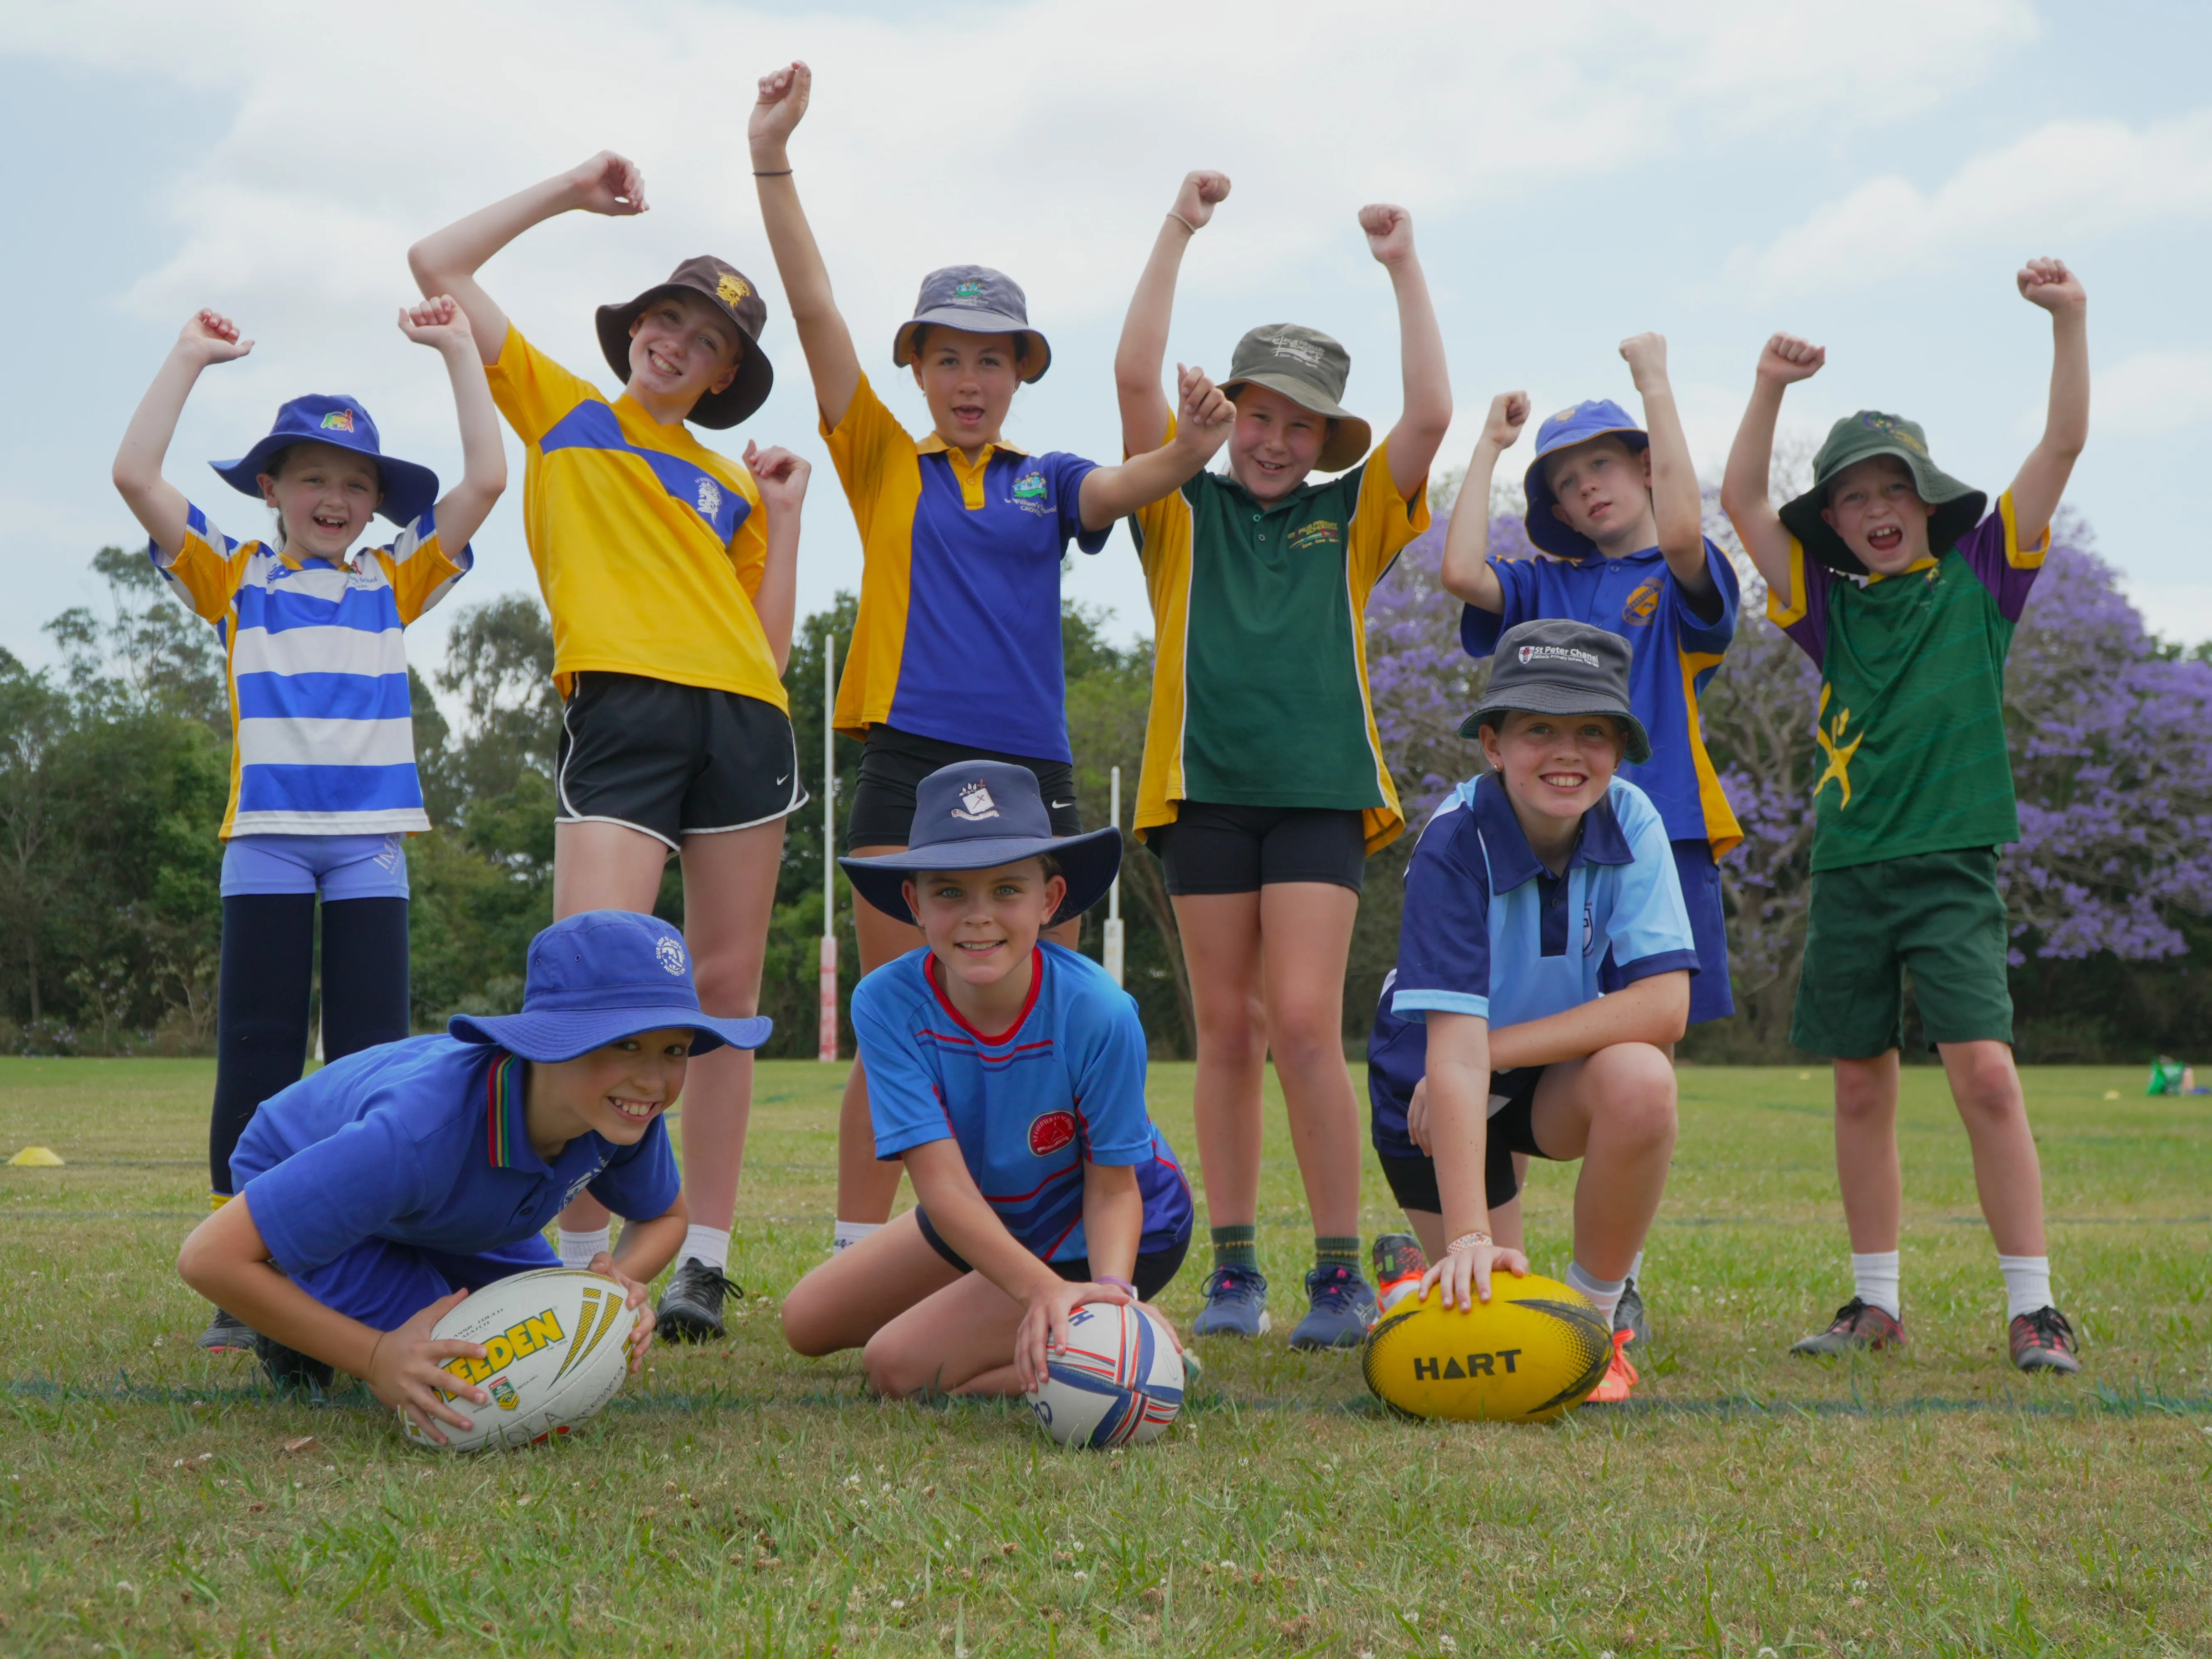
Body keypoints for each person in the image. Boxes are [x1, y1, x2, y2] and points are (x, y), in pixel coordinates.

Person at [746, 64, 1234, 1264]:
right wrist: (773, 159)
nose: (971, 381)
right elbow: (813, 313)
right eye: (950, 359)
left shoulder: (1048, 475)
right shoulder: (877, 458)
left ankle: (1059, 1246)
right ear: (917, 367)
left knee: (1046, 1023)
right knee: (895, 1017)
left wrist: (1190, 448)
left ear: (1021, 373)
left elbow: (1127, 485)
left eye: (994, 360)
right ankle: (867, 1248)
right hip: (907, 762)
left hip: (1029, 771)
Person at [409, 153, 814, 1342]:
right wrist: (568, 195)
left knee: (725, 991)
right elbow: (437, 262)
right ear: (636, 329)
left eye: (704, 340)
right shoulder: (564, 412)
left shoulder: (727, 479)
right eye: (665, 319)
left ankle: (704, 1258)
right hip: (623, 710)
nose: (676, 344)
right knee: (595, 980)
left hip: (742, 715)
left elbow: (768, 647)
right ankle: (577, 1251)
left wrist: (784, 518)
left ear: (728, 373)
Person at [111, 300, 504, 1356]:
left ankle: (361, 1273)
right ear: (271, 489)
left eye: (356, 482)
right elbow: (137, 479)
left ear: (377, 505)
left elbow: (485, 483)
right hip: (268, 844)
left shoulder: (394, 582)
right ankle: (243, 1280)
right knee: (258, 1060)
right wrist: (189, 356)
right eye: (312, 476)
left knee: (374, 1067)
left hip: (373, 844)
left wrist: (462, 350)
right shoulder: (235, 578)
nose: (334, 497)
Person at [1718, 258, 2089, 1374]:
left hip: (1950, 868)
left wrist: (2068, 321)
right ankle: (1874, 1300)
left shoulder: (1985, 577)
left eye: (1892, 490)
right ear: (1832, 520)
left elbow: (2062, 445)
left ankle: (2036, 1306)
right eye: (1852, 497)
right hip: (1852, 870)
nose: (1875, 510)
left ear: (1925, 500)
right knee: (1858, 1077)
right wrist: (1769, 387)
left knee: (1984, 1069)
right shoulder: (1824, 608)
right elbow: (1739, 500)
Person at [1109, 170, 1450, 1349]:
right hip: (1200, 796)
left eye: (1299, 424)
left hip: (1316, 794)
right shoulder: (1177, 505)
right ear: (1233, 415)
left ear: (1322, 441)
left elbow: (1432, 418)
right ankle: (1238, 1271)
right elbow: (1135, 380)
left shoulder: (1351, 516)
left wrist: (1403, 265)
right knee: (1228, 1027)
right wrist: (1179, 223)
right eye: (1259, 415)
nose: (1273, 439)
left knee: (1306, 1020)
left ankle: (1340, 1273)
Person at [1431, 340, 1744, 1346]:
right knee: (1523, 1020)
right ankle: (1497, 1258)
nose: (1584, 489)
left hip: (1653, 841)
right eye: (1565, 482)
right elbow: (1457, 568)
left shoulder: (1675, 573)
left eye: (1602, 466)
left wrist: (1659, 384)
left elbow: (1691, 533)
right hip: (1536, 837)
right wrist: (1484, 446)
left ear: (1645, 468)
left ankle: (1615, 1282)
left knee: (1635, 1042)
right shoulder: (1546, 586)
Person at [176, 910, 769, 1432]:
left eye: (675, 1051)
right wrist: (376, 1355)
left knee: (555, 1338)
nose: (654, 1081)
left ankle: (362, 1291)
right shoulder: (418, 1133)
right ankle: (294, 1304)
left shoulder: (619, 1111)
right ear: (548, 1042)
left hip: (437, 1212)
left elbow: (666, 1215)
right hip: (308, 1167)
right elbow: (208, 1257)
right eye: (626, 1045)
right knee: (460, 1376)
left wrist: (610, 1286)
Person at [779, 763, 1193, 1397]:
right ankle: (1034, 1311)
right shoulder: (885, 1003)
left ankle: (1127, 1355)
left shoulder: (1097, 1010)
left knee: (896, 1366)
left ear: (1049, 900)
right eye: (949, 893)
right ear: (913, 902)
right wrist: (1032, 1286)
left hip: (1107, 1227)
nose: (979, 917)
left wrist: (1105, 1295)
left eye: (1006, 890)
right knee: (804, 1322)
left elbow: (1115, 1190)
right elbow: (943, 1189)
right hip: (987, 1209)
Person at [1368, 619, 1696, 1405]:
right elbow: (1450, 1057)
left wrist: (1502, 1049)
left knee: (1644, 1078)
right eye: (1538, 729)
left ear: (1618, 749)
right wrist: (1473, 1237)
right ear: (1492, 744)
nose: (1566, 753)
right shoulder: (1455, 840)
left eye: (1592, 732)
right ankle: (1413, 1279)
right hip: (1430, 1086)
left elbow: (1666, 1006)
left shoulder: (1636, 818)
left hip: (1530, 1070)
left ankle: (1598, 1320)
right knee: (1493, 1318)